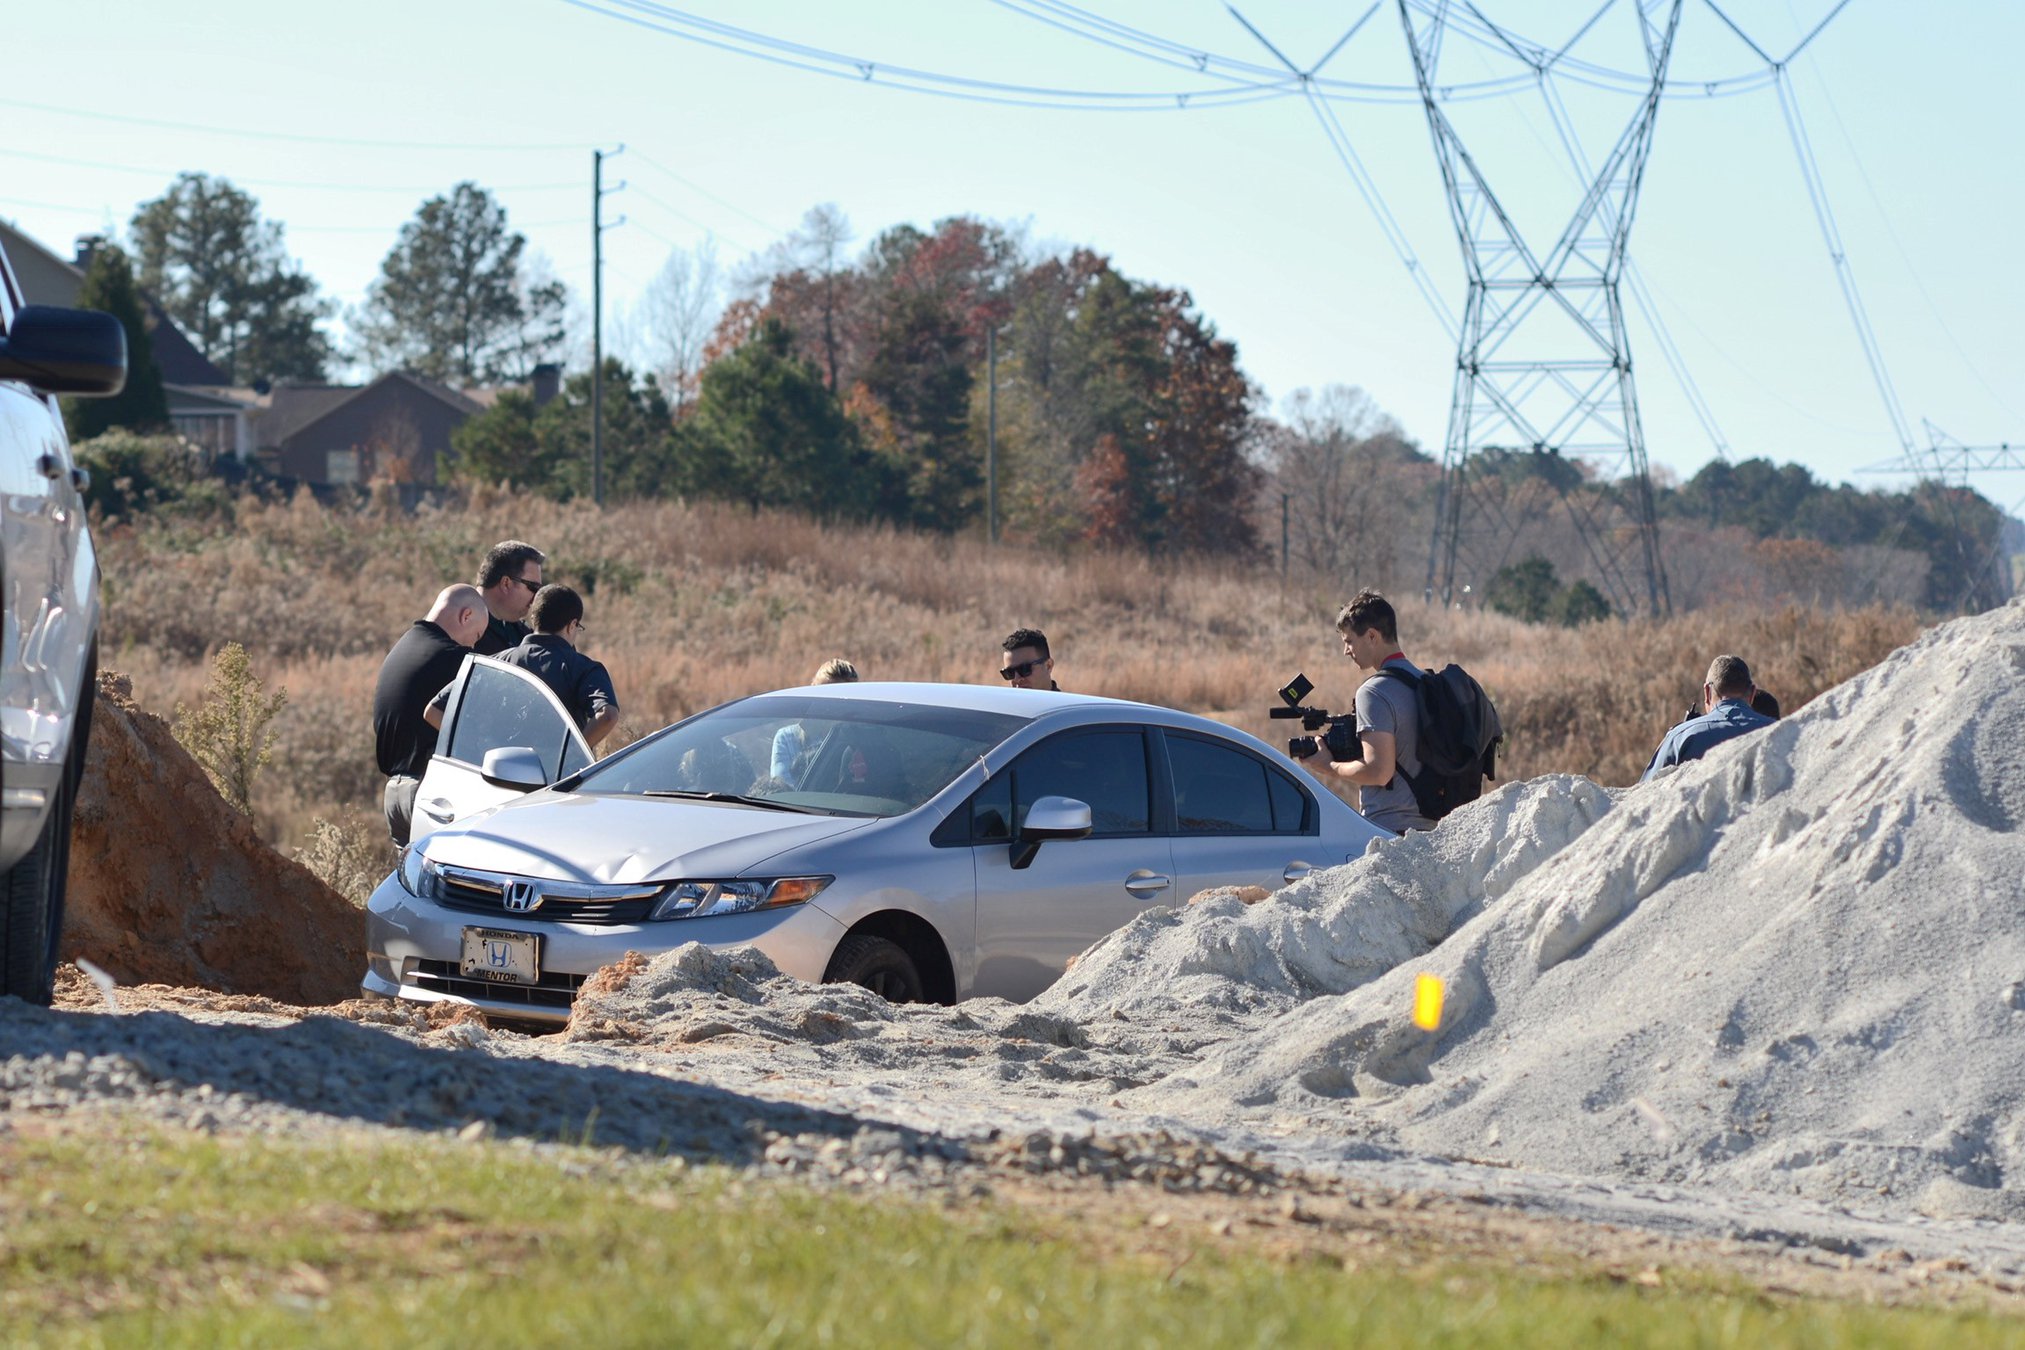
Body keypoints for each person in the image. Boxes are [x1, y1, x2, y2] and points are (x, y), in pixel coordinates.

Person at [1296, 589, 1435, 834]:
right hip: (1435, 829)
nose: (1346, 651)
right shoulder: (1425, 682)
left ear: (1371, 636)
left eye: (1349, 641)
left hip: (1391, 831)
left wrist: (1330, 766)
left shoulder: (1374, 692)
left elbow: (1378, 771)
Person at [372, 584, 488, 847]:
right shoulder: (456, 659)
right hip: (430, 795)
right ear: (466, 616)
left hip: (394, 794)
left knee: (410, 873)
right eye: (476, 635)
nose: (473, 644)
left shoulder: (402, 649)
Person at [463, 584, 621, 749]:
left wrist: (476, 749)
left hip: (496, 763)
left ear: (534, 619)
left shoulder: (494, 663)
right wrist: (571, 754)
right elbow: (607, 715)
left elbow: (444, 704)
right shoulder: (583, 668)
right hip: (557, 766)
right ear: (572, 625)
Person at [1642, 655, 1774, 782]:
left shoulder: (1680, 737)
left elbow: (1644, 792)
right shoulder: (1776, 731)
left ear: (1707, 691)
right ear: (1752, 693)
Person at [770, 658, 860, 784]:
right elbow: (782, 786)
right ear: (811, 691)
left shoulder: (863, 739)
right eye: (822, 694)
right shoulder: (788, 738)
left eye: (839, 697)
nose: (829, 704)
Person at [472, 539, 545, 656]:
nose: (536, 597)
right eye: (533, 587)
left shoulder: (521, 632)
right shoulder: (460, 626)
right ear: (506, 583)